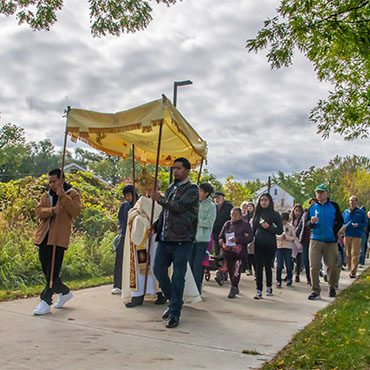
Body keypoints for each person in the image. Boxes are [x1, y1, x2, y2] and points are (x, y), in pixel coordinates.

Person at [152, 157, 199, 329]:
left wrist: (160, 198)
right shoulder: (171, 187)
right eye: (173, 168)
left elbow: (178, 207)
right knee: (158, 270)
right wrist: (155, 226)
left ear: (187, 170)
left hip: (182, 239)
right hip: (165, 238)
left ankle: (174, 313)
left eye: (178, 168)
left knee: (178, 277)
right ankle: (174, 302)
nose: (175, 171)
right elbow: (166, 212)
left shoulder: (192, 190)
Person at [33, 168, 81, 315]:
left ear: (62, 180)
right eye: (50, 181)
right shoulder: (46, 195)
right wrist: (52, 210)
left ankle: (45, 301)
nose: (52, 184)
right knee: (48, 272)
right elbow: (39, 212)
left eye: (54, 181)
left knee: (53, 271)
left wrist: (64, 197)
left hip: (58, 238)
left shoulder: (73, 194)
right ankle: (65, 292)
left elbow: (76, 212)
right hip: (44, 237)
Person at [122, 182, 167, 307]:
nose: (149, 191)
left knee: (157, 265)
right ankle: (138, 296)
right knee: (141, 267)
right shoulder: (141, 201)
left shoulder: (163, 202)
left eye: (152, 189)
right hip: (141, 239)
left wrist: (152, 226)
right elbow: (132, 214)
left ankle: (160, 293)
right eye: (147, 189)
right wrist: (143, 222)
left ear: (157, 189)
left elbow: (162, 218)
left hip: (155, 240)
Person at [307, 184, 343, 300]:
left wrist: (335, 231)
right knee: (314, 266)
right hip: (315, 239)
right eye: (317, 192)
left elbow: (340, 221)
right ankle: (315, 290)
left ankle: (332, 287)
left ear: (327, 193)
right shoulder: (312, 208)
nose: (319, 195)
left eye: (321, 192)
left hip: (330, 240)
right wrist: (311, 222)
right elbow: (307, 224)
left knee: (331, 266)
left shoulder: (333, 206)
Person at [253, 193, 283, 299]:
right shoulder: (257, 213)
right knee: (258, 267)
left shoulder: (275, 214)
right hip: (258, 244)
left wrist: (269, 227)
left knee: (268, 266)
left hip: (270, 244)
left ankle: (269, 286)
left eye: (266, 200)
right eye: (261, 200)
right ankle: (258, 290)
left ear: (270, 201)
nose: (263, 202)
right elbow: (253, 229)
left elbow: (280, 231)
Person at [219, 207, 253, 298]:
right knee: (230, 271)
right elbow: (221, 237)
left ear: (240, 215)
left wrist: (238, 239)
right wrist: (222, 244)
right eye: (231, 214)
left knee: (236, 271)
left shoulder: (245, 225)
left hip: (239, 253)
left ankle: (233, 287)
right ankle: (235, 285)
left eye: (235, 215)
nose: (233, 217)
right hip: (228, 252)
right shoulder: (227, 224)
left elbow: (250, 238)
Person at [189, 183, 216, 294]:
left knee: (198, 266)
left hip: (202, 240)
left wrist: (197, 221)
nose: (198, 193)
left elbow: (210, 222)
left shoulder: (211, 206)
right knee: (189, 264)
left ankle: (196, 288)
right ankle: (189, 288)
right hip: (191, 238)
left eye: (200, 191)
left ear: (206, 193)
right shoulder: (193, 203)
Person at [111, 185, 138, 295]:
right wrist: (123, 230)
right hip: (124, 235)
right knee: (120, 259)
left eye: (128, 195)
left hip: (136, 236)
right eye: (125, 196)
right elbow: (120, 220)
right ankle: (118, 284)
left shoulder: (139, 204)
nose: (127, 198)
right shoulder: (124, 206)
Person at [341, 196, 368, 278]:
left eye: (353, 201)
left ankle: (353, 272)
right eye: (350, 201)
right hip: (347, 235)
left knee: (355, 254)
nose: (351, 202)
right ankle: (350, 268)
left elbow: (365, 223)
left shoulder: (361, 212)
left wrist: (358, 225)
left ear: (356, 202)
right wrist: (343, 227)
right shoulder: (346, 212)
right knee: (348, 254)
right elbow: (341, 222)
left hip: (357, 236)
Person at [276, 212, 296, 288]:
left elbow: (294, 237)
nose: (282, 222)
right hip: (279, 247)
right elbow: (274, 235)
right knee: (279, 265)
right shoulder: (277, 226)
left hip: (288, 248)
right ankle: (278, 280)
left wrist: (287, 238)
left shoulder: (290, 227)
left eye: (284, 220)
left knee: (288, 264)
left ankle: (289, 279)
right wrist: (280, 237)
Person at [291, 204, 304, 282]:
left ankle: (297, 274)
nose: (297, 212)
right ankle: (290, 274)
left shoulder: (302, 220)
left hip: (298, 240)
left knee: (298, 258)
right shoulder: (291, 219)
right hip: (291, 241)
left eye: (299, 211)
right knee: (291, 258)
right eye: (296, 210)